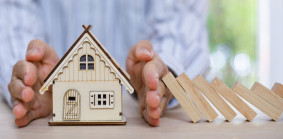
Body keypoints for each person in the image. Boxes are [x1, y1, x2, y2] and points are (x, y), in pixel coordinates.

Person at [0, 0, 210, 127]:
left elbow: (181, 16)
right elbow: (10, 13)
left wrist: (164, 70)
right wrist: (27, 72)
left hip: (144, 114)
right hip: (47, 112)